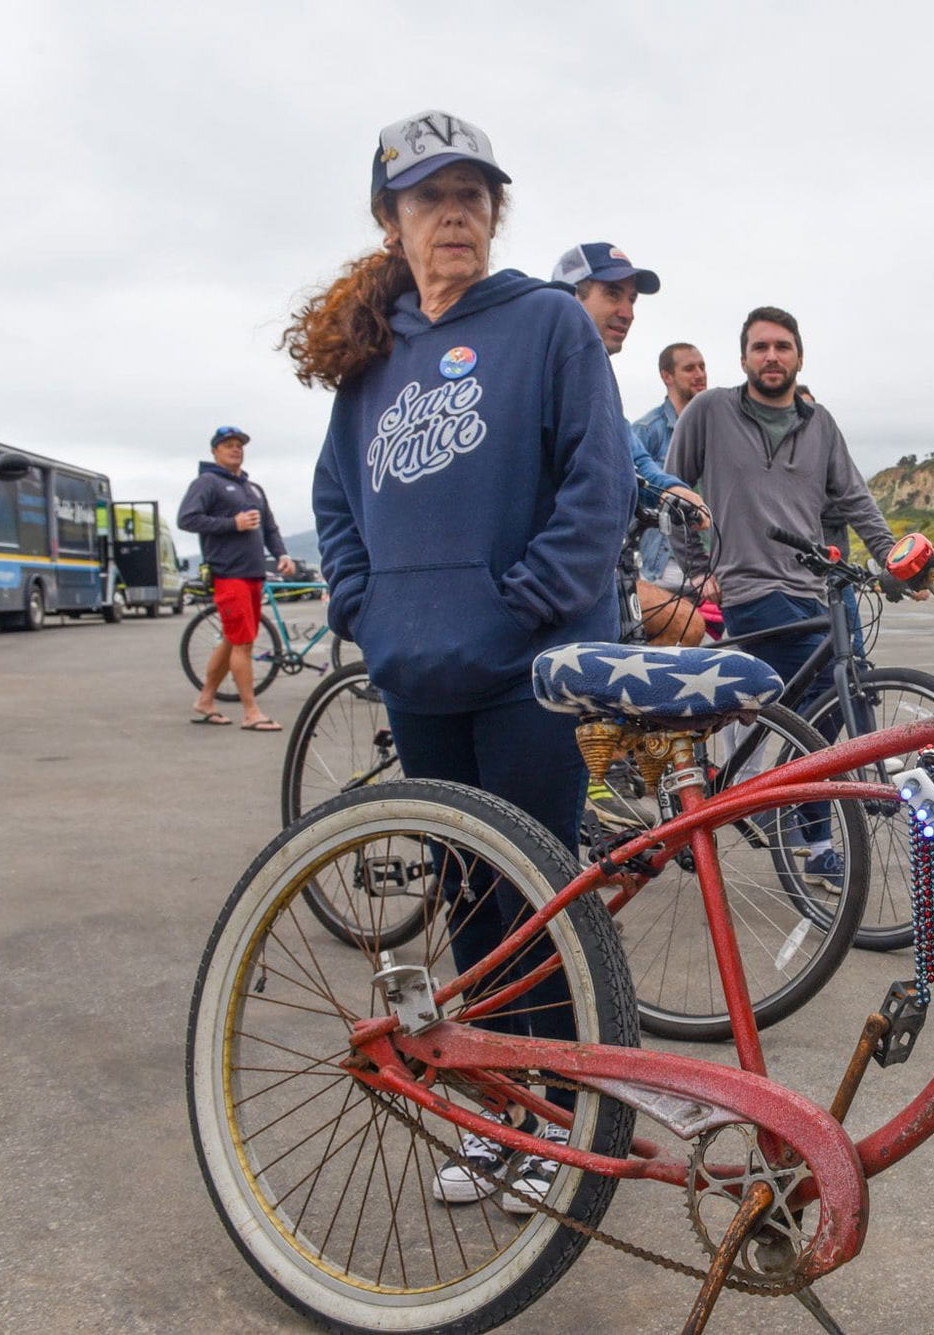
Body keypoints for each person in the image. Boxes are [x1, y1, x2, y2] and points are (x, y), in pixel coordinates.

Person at [293, 110, 632, 1209]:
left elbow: (597, 489)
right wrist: (365, 610)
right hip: (417, 673)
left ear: (495, 214)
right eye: (430, 197)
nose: (455, 215)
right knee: (466, 902)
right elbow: (335, 499)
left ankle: (563, 1124)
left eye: (472, 196)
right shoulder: (374, 358)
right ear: (390, 219)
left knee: (538, 902)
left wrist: (521, 604)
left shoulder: (547, 325)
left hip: (529, 670)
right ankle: (496, 1118)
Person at [664, 306, 909, 879]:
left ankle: (775, 804)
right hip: (751, 588)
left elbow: (855, 499)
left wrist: (892, 557)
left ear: (799, 356)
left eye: (782, 346)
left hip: (816, 588)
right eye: (761, 347)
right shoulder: (710, 411)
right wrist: (699, 569)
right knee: (824, 697)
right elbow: (674, 493)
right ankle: (812, 834)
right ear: (743, 357)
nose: (771, 356)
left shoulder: (820, 423)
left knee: (844, 692)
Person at [551, 242, 709, 646]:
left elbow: (631, 456)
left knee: (685, 625)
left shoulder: (599, 378)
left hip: (602, 566)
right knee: (683, 624)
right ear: (569, 297)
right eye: (612, 294)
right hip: (554, 571)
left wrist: (672, 490)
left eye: (632, 299)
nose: (628, 311)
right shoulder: (541, 367)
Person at [177, 426, 296, 730]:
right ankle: (251, 712)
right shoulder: (207, 482)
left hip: (253, 573)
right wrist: (233, 523)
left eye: (239, 445)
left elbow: (269, 527)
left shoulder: (252, 488)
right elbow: (187, 519)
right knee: (243, 643)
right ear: (215, 451)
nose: (235, 449)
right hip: (229, 573)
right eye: (228, 444)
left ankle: (205, 701)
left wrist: (282, 554)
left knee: (234, 640)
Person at [631, 342, 709, 583]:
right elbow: (631, 494)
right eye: (689, 368)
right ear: (667, 376)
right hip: (663, 563)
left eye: (702, 367)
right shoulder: (646, 430)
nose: (699, 374)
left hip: (711, 558)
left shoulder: (714, 428)